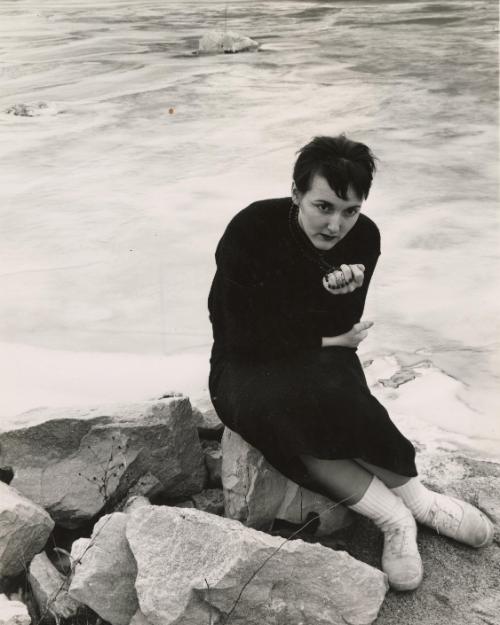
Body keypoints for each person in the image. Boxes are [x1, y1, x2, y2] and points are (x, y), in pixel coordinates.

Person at [207, 135, 493, 591]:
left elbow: (347, 327)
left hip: (320, 355)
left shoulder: (365, 236)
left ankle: (420, 503)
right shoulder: (251, 228)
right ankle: (395, 519)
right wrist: (328, 335)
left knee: (339, 397)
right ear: (297, 194)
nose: (336, 224)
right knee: (280, 411)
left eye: (349, 210)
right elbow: (235, 332)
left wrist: (340, 298)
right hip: (242, 364)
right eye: (323, 206)